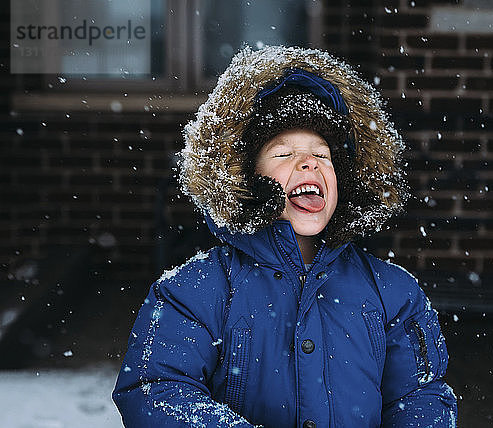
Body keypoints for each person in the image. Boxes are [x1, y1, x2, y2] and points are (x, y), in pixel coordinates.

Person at [113, 45, 457, 427]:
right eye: (283, 154)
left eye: (323, 155)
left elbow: (420, 396)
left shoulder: (393, 293)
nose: (308, 162)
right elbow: (156, 388)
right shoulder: (197, 289)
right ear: (245, 180)